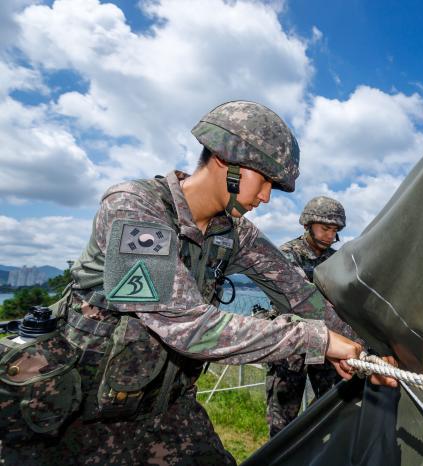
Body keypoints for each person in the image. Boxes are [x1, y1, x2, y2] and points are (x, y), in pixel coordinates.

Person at [0, 101, 395, 465]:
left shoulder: (233, 232)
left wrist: (365, 351)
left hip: (165, 410)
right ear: (228, 162)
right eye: (266, 181)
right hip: (76, 420)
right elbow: (186, 325)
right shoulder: (136, 209)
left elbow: (300, 294)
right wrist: (316, 341)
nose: (267, 197)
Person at [266, 196, 347, 437]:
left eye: (335, 230)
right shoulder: (287, 254)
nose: (330, 235)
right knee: (283, 417)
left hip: (325, 342)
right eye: (325, 228)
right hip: (292, 342)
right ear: (308, 225)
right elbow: (296, 299)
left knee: (330, 407)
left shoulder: (337, 260)